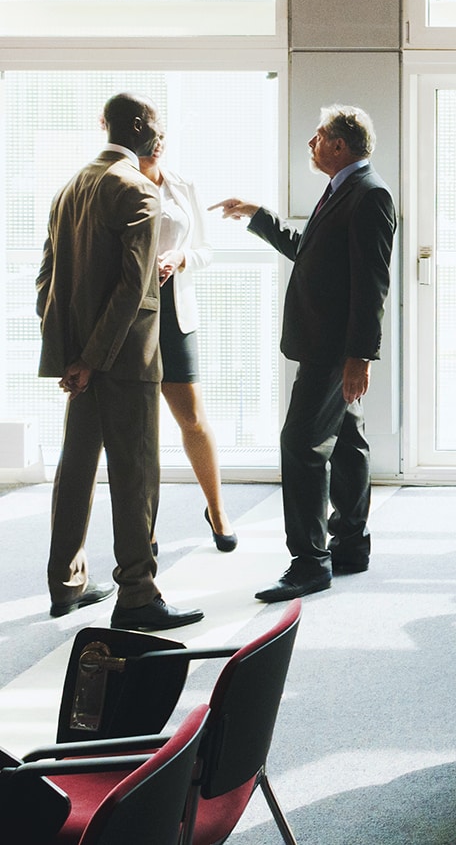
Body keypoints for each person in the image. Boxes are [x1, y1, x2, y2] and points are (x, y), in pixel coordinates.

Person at [213, 104, 397, 603]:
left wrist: (360, 356)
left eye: (318, 136)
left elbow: (372, 284)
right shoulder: (341, 189)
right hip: (326, 344)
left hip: (335, 350)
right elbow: (309, 252)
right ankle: (350, 546)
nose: (310, 144)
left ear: (339, 144)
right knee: (347, 443)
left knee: (300, 445)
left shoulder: (370, 194)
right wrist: (258, 216)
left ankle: (309, 563)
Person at [37, 93, 203, 631]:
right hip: (127, 360)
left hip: (83, 361)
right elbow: (135, 288)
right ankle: (137, 593)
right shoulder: (137, 189)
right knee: (135, 475)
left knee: (77, 468)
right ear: (137, 127)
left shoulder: (70, 187)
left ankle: (65, 583)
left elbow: (47, 280)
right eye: (157, 123)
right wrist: (93, 359)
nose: (161, 132)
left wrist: (71, 355)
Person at [138, 134, 237, 553]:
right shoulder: (116, 182)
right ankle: (144, 526)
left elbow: (206, 250)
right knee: (141, 427)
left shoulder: (182, 184)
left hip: (175, 316)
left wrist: (181, 258)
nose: (157, 143)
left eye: (161, 136)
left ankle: (217, 510)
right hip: (132, 317)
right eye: (149, 136)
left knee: (193, 419)